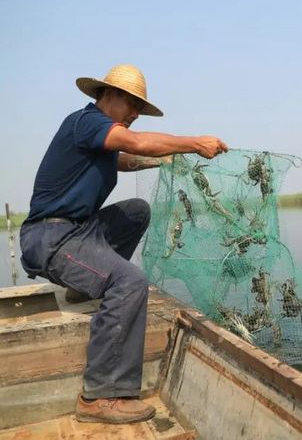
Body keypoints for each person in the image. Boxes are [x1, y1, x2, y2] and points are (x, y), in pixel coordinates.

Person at [19, 64, 228, 424]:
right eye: (131, 104)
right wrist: (193, 144)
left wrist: (163, 161)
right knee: (130, 282)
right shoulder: (86, 122)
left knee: (136, 211)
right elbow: (133, 142)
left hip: (79, 232)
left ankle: (81, 286)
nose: (134, 113)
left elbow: (126, 158)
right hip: (50, 237)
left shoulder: (98, 138)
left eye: (139, 108)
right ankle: (98, 396)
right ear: (107, 95)